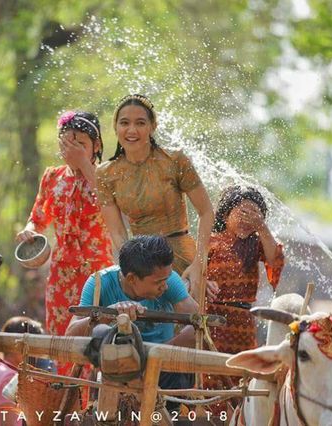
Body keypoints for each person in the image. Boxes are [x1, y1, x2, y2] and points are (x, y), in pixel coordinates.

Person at [16, 111, 114, 372]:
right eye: (67, 143)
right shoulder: (52, 177)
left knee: (96, 337)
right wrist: (29, 231)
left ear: (97, 145)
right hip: (61, 274)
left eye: (80, 144)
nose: (72, 150)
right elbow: (38, 218)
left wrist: (84, 165)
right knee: (61, 340)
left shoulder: (108, 175)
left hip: (97, 272)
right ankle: (65, 393)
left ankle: (93, 396)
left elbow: (112, 206)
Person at [95, 94, 215, 297]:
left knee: (190, 316)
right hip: (141, 267)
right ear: (115, 127)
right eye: (124, 123)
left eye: (140, 123)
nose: (132, 130)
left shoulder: (174, 160)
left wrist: (199, 264)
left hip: (183, 260)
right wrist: (133, 269)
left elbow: (206, 212)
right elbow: (118, 233)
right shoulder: (105, 173)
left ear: (153, 126)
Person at [66, 235, 199, 412]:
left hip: (163, 368)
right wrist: (108, 313)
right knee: (102, 333)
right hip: (114, 374)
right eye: (158, 283)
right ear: (131, 278)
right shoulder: (99, 283)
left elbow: (198, 328)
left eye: (166, 280)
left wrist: (154, 357)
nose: (165, 287)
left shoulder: (168, 279)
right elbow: (71, 335)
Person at [203, 185, 284, 413]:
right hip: (213, 320)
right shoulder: (211, 241)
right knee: (210, 377)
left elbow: (275, 260)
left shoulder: (256, 245)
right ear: (225, 215)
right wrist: (203, 282)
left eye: (255, 214)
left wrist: (262, 227)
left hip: (243, 324)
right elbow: (193, 274)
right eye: (243, 212)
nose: (248, 220)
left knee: (242, 379)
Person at [0, 316, 52, 426]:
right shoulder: (11, 378)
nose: (35, 355)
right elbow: (8, 421)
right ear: (18, 346)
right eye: (33, 348)